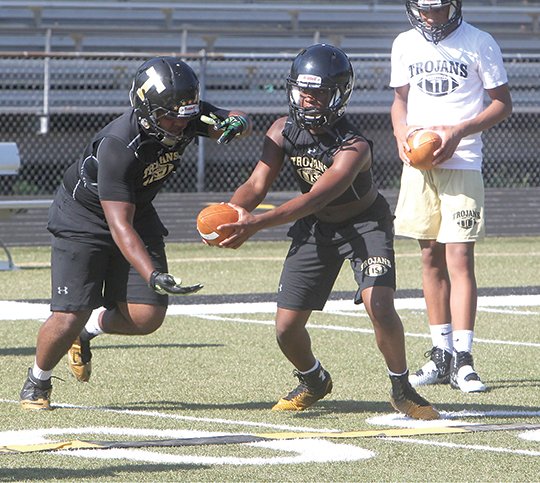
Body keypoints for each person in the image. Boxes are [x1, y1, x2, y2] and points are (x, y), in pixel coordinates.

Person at [218, 43, 439, 420]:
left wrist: (255, 224)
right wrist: (233, 212)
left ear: (339, 96)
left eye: (318, 93)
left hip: (364, 224)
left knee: (379, 304)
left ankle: (402, 388)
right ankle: (314, 380)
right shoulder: (280, 130)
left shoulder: (354, 146)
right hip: (317, 229)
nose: (307, 100)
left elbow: (315, 199)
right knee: (286, 328)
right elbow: (256, 186)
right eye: (302, 91)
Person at [20, 56, 251, 410]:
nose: (177, 124)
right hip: (84, 219)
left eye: (184, 114)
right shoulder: (118, 145)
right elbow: (118, 225)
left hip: (136, 211)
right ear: (144, 108)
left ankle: (90, 329)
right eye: (168, 116)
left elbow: (231, 122)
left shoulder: (186, 114)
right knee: (70, 313)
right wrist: (152, 273)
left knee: (146, 317)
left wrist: (238, 123)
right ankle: (37, 380)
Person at [390, 0, 512, 393]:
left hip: (463, 161)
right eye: (426, 9)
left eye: (440, 9)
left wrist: (460, 130)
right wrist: (401, 137)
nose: (432, 16)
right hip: (419, 165)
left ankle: (463, 357)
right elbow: (401, 102)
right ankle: (440, 353)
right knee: (428, 256)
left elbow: (502, 104)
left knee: (459, 256)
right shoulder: (405, 43)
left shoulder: (479, 41)